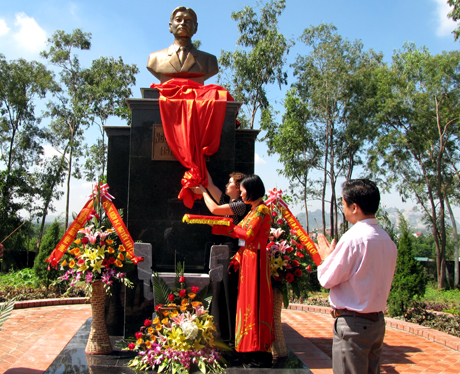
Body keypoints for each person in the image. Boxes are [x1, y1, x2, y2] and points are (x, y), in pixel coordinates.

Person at [316, 179, 397, 374]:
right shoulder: (386, 239)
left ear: (354, 207)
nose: (343, 209)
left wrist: (326, 258)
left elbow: (326, 279)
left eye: (343, 204)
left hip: (354, 325)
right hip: (376, 323)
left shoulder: (354, 238)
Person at [211, 175, 274, 358]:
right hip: (247, 259)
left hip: (256, 261)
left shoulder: (262, 210)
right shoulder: (254, 210)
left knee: (255, 302)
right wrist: (237, 256)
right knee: (246, 303)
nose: (242, 193)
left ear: (252, 190)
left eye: (244, 190)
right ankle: (247, 345)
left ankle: (257, 348)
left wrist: (227, 226)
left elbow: (248, 234)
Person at [147, 6, 219, 84]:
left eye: (188, 20)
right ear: (170, 26)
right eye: (178, 20)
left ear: (195, 27)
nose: (183, 23)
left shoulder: (208, 60)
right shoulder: (155, 58)